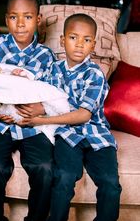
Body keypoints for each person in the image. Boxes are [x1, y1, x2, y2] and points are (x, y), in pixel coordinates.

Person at [18, 13, 122, 221]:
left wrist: (42, 121)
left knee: (110, 184)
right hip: (66, 135)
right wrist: (17, 77)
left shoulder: (95, 74)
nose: (79, 45)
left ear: (93, 45)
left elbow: (84, 115)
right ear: (63, 40)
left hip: (96, 135)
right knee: (64, 177)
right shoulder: (53, 69)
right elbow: (33, 86)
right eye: (73, 38)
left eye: (86, 40)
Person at [0, 0, 56, 221]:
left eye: (28, 17)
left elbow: (52, 94)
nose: (20, 24)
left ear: (38, 20)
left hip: (32, 123)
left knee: (44, 167)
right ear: (6, 19)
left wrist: (39, 109)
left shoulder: (45, 56)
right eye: (13, 17)